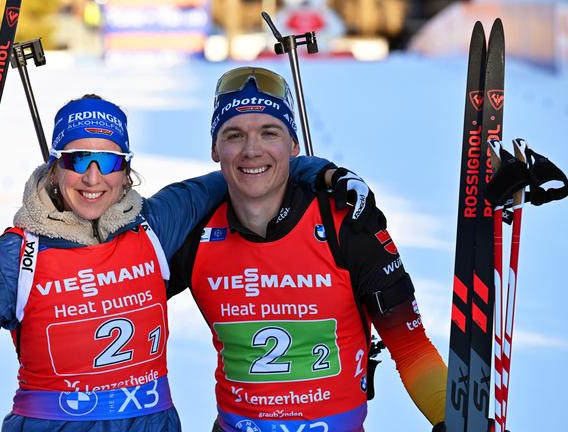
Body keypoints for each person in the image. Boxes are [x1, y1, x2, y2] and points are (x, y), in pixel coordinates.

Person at [0, 94, 348, 431]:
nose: (93, 178)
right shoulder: (17, 255)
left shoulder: (155, 225)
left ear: (126, 169)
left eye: (108, 161)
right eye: (78, 159)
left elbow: (247, 170)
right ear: (55, 166)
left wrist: (323, 173)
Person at [166, 67, 448, 432]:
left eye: (270, 132)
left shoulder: (345, 224)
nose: (252, 150)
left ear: (293, 146)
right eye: (234, 135)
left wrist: (450, 417)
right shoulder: (195, 232)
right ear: (215, 148)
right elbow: (118, 300)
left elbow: (411, 347)